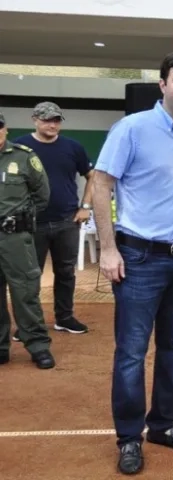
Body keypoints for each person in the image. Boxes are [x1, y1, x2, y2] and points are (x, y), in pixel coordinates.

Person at [92, 52, 173, 476]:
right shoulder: (132, 128)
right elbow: (101, 184)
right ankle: (128, 438)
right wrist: (108, 248)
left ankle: (163, 425)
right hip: (139, 257)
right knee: (132, 353)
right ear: (162, 84)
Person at [4, 101, 93, 341]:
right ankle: (28, 325)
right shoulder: (20, 146)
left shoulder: (73, 147)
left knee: (66, 272)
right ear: (35, 119)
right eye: (46, 119)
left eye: (56, 120)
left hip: (66, 221)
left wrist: (85, 207)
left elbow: (91, 176)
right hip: (30, 224)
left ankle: (64, 318)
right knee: (29, 277)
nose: (51, 124)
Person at [0, 110, 55, 369]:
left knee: (25, 293)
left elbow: (42, 194)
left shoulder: (23, 157)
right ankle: (1, 348)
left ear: (5, 129)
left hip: (15, 238)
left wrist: (20, 218)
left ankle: (38, 346)